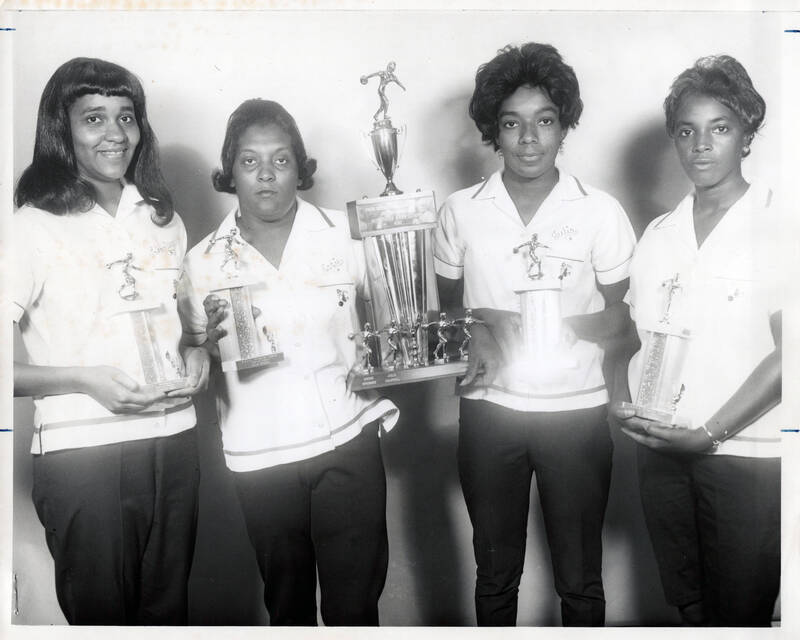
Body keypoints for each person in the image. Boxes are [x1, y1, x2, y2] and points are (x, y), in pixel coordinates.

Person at [434, 42, 636, 626]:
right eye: (512, 123)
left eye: (544, 121)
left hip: (575, 412)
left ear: (563, 125)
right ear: (492, 131)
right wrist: (485, 325)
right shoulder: (461, 210)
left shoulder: (599, 211)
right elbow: (448, 314)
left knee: (579, 579)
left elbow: (624, 321)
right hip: (490, 411)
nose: (529, 139)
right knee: (495, 576)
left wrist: (542, 322)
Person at [179, 99, 399, 626]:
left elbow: (395, 322)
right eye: (250, 162)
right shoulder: (201, 262)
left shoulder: (345, 237)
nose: (266, 175)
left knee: (355, 607)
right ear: (230, 171)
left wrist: (384, 353)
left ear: (300, 168)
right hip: (261, 453)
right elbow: (191, 351)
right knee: (288, 607)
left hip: (347, 439)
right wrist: (200, 346)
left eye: (281, 160)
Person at [12, 57, 209, 625]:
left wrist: (197, 354)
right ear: (61, 128)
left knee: (168, 617)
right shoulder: (31, 226)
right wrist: (82, 380)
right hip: (82, 454)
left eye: (126, 117)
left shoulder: (161, 219)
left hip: (174, 442)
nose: (115, 134)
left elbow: (189, 330)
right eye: (93, 119)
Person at [612, 55, 782, 627]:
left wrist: (708, 434)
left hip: (747, 458)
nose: (701, 145)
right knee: (689, 607)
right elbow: (637, 343)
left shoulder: (780, 225)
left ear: (747, 133)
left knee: (741, 613)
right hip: (661, 453)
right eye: (687, 131)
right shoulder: (658, 236)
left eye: (720, 128)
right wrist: (626, 403)